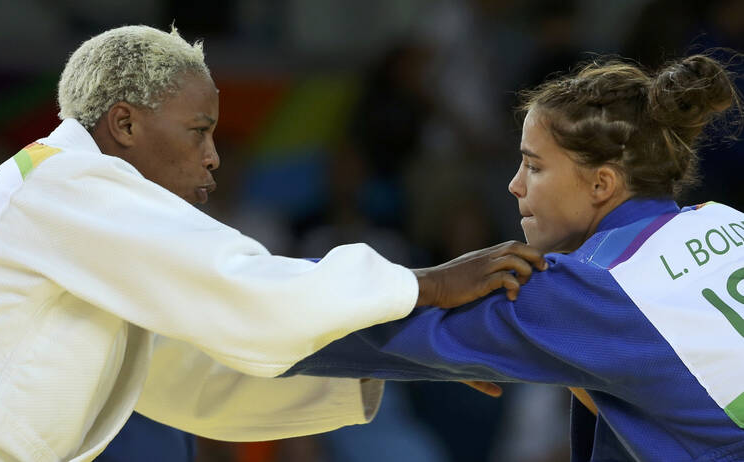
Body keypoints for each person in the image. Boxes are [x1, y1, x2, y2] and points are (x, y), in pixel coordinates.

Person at [0, 25, 547, 461]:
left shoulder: (59, 197)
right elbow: (239, 283)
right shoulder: (66, 184)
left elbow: (188, 378)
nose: (212, 156)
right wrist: (425, 285)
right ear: (125, 124)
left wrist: (414, 352)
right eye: (198, 130)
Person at [286, 54, 744, 461]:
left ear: (601, 184)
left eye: (535, 166)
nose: (515, 185)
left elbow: (374, 330)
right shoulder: (725, 221)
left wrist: (243, 294)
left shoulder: (591, 287)